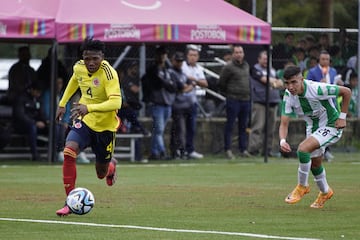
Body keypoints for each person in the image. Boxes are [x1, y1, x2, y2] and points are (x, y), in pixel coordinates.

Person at [55, 38, 121, 216]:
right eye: (87, 58)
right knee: (69, 152)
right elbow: (74, 80)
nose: (91, 63)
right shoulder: (79, 66)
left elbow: (117, 102)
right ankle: (69, 203)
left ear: (102, 57)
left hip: (105, 127)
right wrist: (62, 103)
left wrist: (89, 107)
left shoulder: (109, 73)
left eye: (95, 59)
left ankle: (111, 167)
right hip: (84, 120)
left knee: (101, 172)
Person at [279, 65, 351, 209]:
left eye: (294, 82)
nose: (290, 86)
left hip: (332, 125)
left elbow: (346, 92)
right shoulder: (288, 95)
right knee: (315, 164)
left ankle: (302, 186)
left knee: (303, 149)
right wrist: (282, 140)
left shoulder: (317, 89)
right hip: (313, 128)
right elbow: (284, 123)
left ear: (301, 79)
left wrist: (342, 117)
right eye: (287, 83)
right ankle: (325, 192)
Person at [142, 46, 177, 160]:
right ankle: (162, 152)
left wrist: (166, 83)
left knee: (158, 130)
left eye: (164, 54)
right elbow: (157, 83)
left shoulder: (167, 69)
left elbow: (173, 86)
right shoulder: (152, 69)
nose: (162, 57)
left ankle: (154, 152)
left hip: (167, 103)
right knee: (159, 130)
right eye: (160, 54)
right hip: (156, 103)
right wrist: (166, 83)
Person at [307, 50, 342, 161]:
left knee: (330, 127)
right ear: (319, 60)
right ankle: (320, 152)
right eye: (323, 59)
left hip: (332, 104)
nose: (325, 61)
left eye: (327, 59)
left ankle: (326, 151)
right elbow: (308, 86)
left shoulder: (333, 71)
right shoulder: (312, 72)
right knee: (320, 128)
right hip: (319, 106)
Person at [247, 50, 283, 156]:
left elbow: (280, 83)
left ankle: (267, 149)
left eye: (268, 59)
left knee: (270, 129)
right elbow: (264, 80)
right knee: (258, 127)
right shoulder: (255, 69)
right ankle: (253, 149)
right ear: (259, 59)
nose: (266, 61)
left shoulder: (272, 70)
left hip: (273, 101)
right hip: (260, 102)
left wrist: (275, 83)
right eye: (264, 58)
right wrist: (274, 83)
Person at [218, 45, 251, 159]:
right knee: (230, 125)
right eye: (236, 52)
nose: (239, 54)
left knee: (243, 126)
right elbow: (221, 83)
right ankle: (228, 149)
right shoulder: (228, 67)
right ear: (233, 54)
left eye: (240, 52)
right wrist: (228, 93)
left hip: (245, 99)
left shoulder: (246, 65)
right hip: (233, 99)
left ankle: (243, 149)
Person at [117, 61, 149, 162]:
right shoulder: (123, 82)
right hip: (117, 113)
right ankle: (140, 128)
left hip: (128, 111)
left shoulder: (130, 81)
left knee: (136, 129)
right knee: (129, 113)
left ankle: (138, 157)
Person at [181, 45, 208, 159]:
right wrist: (196, 82)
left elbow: (205, 83)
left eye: (195, 55)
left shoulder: (199, 68)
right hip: (181, 101)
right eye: (191, 55)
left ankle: (190, 150)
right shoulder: (182, 66)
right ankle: (180, 151)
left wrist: (193, 80)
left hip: (193, 102)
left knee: (192, 127)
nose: (193, 57)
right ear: (187, 56)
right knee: (180, 128)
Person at [12, 82, 47, 161]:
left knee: (54, 127)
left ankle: (56, 152)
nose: (38, 94)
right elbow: (20, 115)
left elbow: (41, 113)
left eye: (40, 92)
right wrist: (34, 122)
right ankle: (35, 155)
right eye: (37, 92)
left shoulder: (38, 99)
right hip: (21, 125)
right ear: (31, 90)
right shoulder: (21, 98)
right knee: (32, 127)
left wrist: (45, 121)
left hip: (36, 124)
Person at [169, 52, 194, 159]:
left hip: (187, 105)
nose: (179, 63)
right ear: (173, 61)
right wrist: (188, 87)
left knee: (188, 129)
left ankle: (185, 150)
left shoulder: (182, 73)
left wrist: (187, 87)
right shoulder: (171, 72)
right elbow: (179, 88)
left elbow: (190, 84)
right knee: (179, 129)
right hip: (176, 105)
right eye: (177, 61)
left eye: (181, 61)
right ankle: (178, 151)